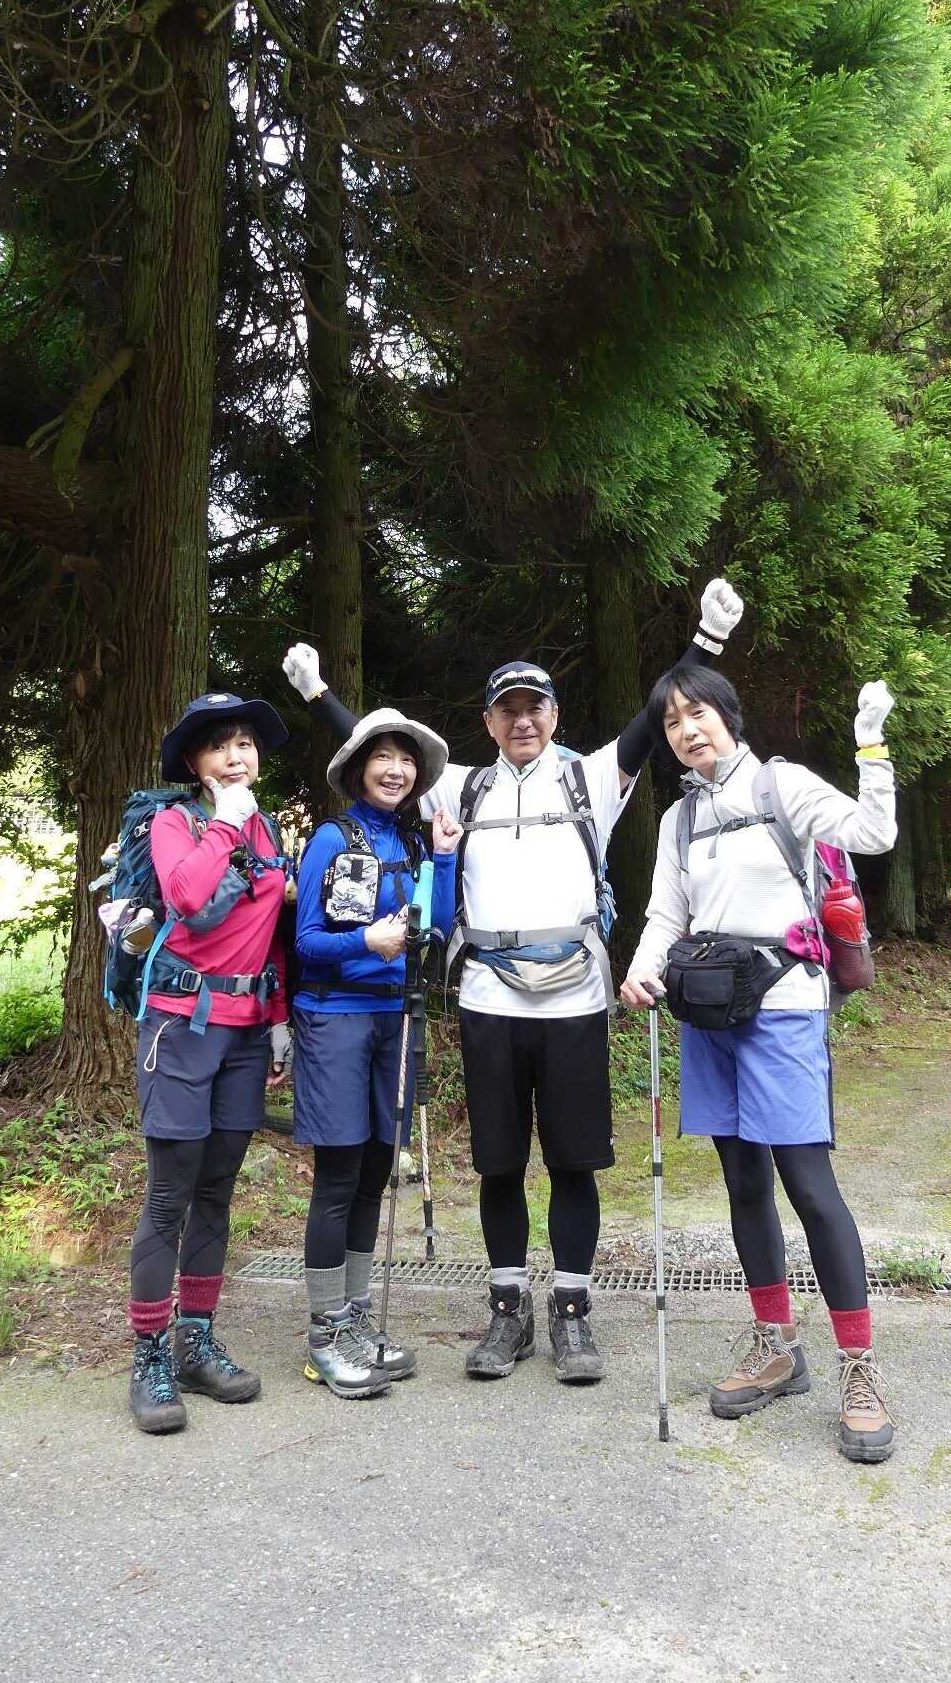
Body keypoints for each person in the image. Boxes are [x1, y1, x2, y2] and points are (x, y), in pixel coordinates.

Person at [281, 579, 744, 1385]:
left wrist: (706, 643)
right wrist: (319, 695)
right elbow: (378, 751)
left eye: (535, 708)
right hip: (489, 998)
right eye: (507, 710)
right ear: (489, 721)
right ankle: (506, 1311)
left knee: (573, 1163)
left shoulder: (592, 777)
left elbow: (652, 719)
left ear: (554, 716)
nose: (522, 720)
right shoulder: (463, 784)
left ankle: (571, 1313)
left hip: (574, 998)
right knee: (498, 1164)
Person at [620, 667, 898, 1462]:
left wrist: (870, 746)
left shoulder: (783, 786)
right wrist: (641, 968)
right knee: (743, 1183)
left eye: (697, 713)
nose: (686, 730)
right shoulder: (678, 817)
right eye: (671, 722)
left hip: (784, 1010)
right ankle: (776, 1346)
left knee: (809, 1187)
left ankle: (858, 1367)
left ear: (728, 715)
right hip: (711, 1014)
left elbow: (873, 833)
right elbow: (666, 914)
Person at [126, 692, 294, 1435]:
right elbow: (189, 897)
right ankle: (149, 1357)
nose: (236, 756)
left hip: (245, 1033)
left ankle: (195, 1342)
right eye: (219, 746)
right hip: (181, 1028)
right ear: (195, 763)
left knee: (217, 1193)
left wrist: (279, 1018)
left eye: (245, 743)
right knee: (170, 1195)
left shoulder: (269, 827)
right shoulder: (178, 823)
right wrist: (225, 820)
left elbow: (272, 930)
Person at [286, 709, 461, 1398]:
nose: (397, 770)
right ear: (359, 768)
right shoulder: (333, 838)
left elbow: (436, 928)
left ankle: (355, 1318)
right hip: (335, 1018)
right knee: (338, 1175)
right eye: (383, 757)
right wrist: (366, 942)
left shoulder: (412, 843)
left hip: (397, 1020)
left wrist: (444, 856)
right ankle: (325, 1333)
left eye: (407, 759)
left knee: (375, 1172)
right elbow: (306, 942)